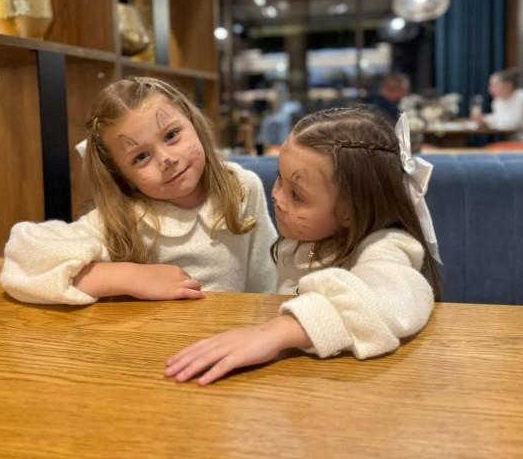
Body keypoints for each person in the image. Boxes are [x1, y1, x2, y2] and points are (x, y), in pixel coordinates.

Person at [165, 106, 442, 385]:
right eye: (279, 178)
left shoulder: (386, 246)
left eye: (297, 195)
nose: (277, 197)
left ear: (351, 211)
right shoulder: (310, 241)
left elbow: (391, 299)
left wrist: (278, 332)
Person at [1, 77, 277, 305]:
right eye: (141, 157)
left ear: (192, 122)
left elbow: (268, 280)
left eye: (171, 135)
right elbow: (23, 257)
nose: (167, 159)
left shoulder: (242, 188)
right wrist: (129, 276)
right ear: (123, 177)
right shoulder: (124, 217)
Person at [479, 69, 523, 144]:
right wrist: (484, 119)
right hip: (510, 143)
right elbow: (499, 118)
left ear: (508, 85)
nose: (490, 90)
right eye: (491, 86)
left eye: (495, 85)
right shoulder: (497, 102)